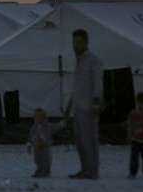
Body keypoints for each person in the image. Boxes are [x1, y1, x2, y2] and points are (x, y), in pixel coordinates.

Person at [66, 28, 104, 180]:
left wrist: (96, 103)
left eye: (79, 42)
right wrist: (69, 106)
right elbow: (77, 87)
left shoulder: (93, 61)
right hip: (78, 107)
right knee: (80, 141)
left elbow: (97, 84)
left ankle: (92, 171)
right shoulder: (79, 61)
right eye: (74, 42)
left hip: (89, 108)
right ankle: (85, 169)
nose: (75, 45)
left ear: (86, 42)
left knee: (89, 140)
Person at [27, 108, 65, 178]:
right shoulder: (33, 127)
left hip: (45, 146)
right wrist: (29, 144)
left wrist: (61, 124)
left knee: (46, 160)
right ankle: (39, 170)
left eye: (40, 116)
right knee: (38, 160)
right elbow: (30, 136)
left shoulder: (48, 126)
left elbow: (56, 127)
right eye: (36, 117)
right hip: (36, 147)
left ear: (44, 117)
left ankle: (46, 171)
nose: (38, 118)